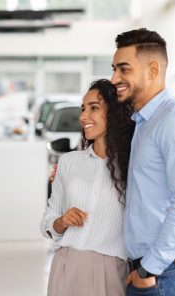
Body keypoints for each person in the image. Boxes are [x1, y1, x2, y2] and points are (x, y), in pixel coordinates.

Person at [111, 28, 175, 296]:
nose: (115, 78)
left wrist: (148, 269)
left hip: (166, 273)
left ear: (153, 70)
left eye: (123, 69)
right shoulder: (144, 122)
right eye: (114, 69)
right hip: (153, 270)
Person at [40, 79, 135, 296]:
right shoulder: (68, 162)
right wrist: (62, 221)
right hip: (64, 267)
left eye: (94, 108)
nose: (83, 116)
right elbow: (46, 222)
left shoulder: (134, 168)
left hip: (110, 272)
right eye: (83, 108)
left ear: (115, 113)